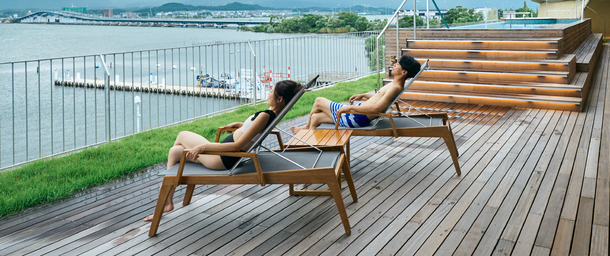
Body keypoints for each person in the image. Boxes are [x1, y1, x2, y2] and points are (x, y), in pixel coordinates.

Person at [143, 79, 303, 222]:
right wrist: (240, 126)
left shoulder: (265, 116)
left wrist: (203, 147)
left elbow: (236, 146)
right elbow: (254, 130)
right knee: (175, 151)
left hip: (221, 158)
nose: (268, 93)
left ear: (279, 98)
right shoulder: (269, 115)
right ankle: (168, 200)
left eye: (271, 91)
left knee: (182, 135)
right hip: (223, 156)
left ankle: (168, 187)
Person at [291, 54, 421, 133]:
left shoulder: (395, 87)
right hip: (358, 115)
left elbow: (377, 108)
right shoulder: (395, 85)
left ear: (404, 72)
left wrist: (350, 107)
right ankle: (312, 142)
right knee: (315, 118)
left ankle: (305, 129)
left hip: (357, 117)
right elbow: (379, 98)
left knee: (319, 100)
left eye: (397, 64)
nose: (394, 65)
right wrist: (363, 95)